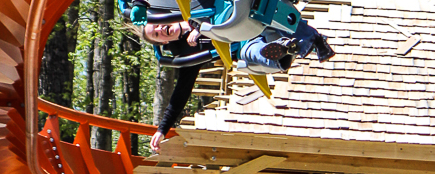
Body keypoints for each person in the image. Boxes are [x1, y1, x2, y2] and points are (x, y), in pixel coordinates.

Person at [143, 14, 334, 153]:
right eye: (158, 35)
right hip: (245, 42)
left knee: (272, 11)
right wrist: (162, 130)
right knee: (248, 55)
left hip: (248, 18)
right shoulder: (187, 54)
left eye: (158, 26)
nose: (160, 30)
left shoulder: (192, 8)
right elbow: (181, 92)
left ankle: (312, 39)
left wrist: (199, 26)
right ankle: (283, 50)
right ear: (165, 42)